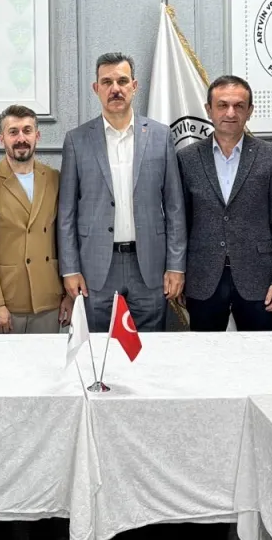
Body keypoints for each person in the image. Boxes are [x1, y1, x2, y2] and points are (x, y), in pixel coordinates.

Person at [59, 53, 186, 332]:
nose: (115, 88)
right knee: (99, 348)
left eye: (122, 81)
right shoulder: (76, 140)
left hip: (149, 265)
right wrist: (70, 269)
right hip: (96, 269)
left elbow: (175, 207)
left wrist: (176, 266)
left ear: (134, 86)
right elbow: (66, 212)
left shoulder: (160, 136)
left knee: (149, 347)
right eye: (107, 82)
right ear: (96, 88)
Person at [176, 75, 272, 332]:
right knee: (205, 352)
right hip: (203, 279)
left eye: (239, 106)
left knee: (259, 352)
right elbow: (180, 223)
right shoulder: (187, 158)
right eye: (222, 105)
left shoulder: (271, 156)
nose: (230, 113)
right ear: (209, 110)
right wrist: (178, 272)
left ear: (249, 111)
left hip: (259, 279)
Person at [0, 105, 70, 333]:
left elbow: (66, 238)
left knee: (46, 357)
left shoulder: (54, 178)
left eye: (27, 130)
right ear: (1, 138)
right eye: (13, 132)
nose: (21, 138)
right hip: (7, 300)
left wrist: (69, 294)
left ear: (37, 136)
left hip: (49, 297)